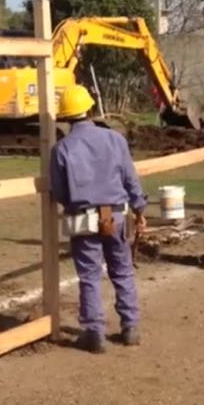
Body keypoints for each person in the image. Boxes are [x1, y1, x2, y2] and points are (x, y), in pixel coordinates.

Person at [49, 84, 147, 353]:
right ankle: (130, 328)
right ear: (90, 108)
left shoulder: (61, 150)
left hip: (83, 219)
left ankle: (95, 333)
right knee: (123, 271)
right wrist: (139, 209)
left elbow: (59, 192)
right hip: (115, 215)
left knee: (90, 277)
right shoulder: (115, 140)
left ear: (66, 117)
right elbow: (130, 179)